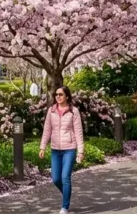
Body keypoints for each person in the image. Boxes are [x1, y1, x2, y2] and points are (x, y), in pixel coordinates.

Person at [40, 86, 84, 214]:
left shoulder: (73, 111)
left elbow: (78, 132)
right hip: (55, 149)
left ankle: (65, 207)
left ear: (67, 96)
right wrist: (42, 147)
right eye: (56, 94)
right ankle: (67, 192)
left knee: (65, 177)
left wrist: (80, 151)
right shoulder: (51, 110)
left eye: (60, 94)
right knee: (56, 179)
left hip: (69, 148)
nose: (58, 97)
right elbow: (47, 130)